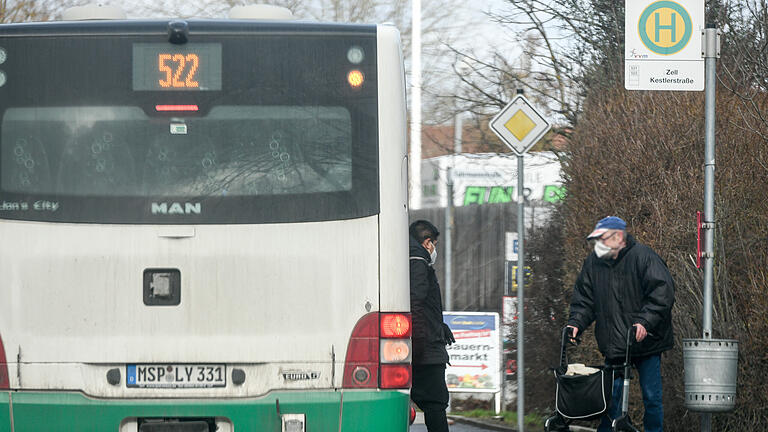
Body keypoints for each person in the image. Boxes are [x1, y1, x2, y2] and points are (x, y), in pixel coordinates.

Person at [566, 216, 675, 432]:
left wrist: (645, 322)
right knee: (611, 397)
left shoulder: (643, 257)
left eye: (602, 239)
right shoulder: (593, 264)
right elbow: (584, 300)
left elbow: (662, 293)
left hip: (646, 342)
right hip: (615, 342)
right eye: (596, 241)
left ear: (618, 237)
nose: (598, 246)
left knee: (651, 397)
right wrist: (576, 323)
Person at [409, 220, 455, 432]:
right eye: (434, 244)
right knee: (436, 404)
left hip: (425, 343)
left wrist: (439, 325)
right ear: (427, 243)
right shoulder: (418, 262)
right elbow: (415, 303)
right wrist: (417, 348)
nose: (434, 249)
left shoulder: (411, 260)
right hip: (426, 349)